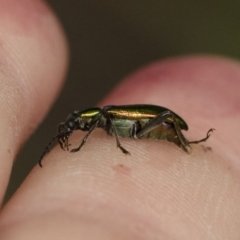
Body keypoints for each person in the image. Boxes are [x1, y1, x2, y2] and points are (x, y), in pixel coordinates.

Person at [0, 1, 239, 239]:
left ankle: (186, 144)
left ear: (89, 120)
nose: (77, 128)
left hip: (148, 124)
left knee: (165, 118)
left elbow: (102, 124)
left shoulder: (106, 117)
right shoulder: (101, 119)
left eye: (78, 124)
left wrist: (106, 145)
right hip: (136, 126)